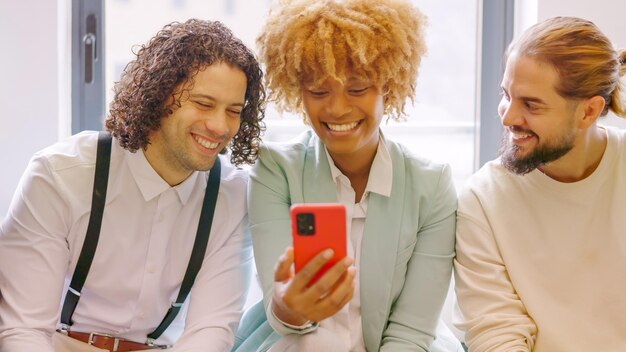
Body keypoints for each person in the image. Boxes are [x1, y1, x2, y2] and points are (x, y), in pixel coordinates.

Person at [0, 19, 265, 352]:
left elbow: (210, 332)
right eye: (203, 104)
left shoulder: (232, 195)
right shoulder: (59, 176)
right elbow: (23, 330)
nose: (219, 126)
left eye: (234, 111)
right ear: (158, 95)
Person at [234, 0, 463, 351]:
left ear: (389, 84)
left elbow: (410, 332)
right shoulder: (275, 170)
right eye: (318, 91)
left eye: (357, 89)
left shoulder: (431, 186)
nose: (337, 108)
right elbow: (280, 314)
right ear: (298, 91)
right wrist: (289, 307)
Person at [454, 16, 626, 351]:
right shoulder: (483, 200)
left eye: (531, 105)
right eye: (506, 95)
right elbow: (495, 336)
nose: (507, 117)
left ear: (589, 112)